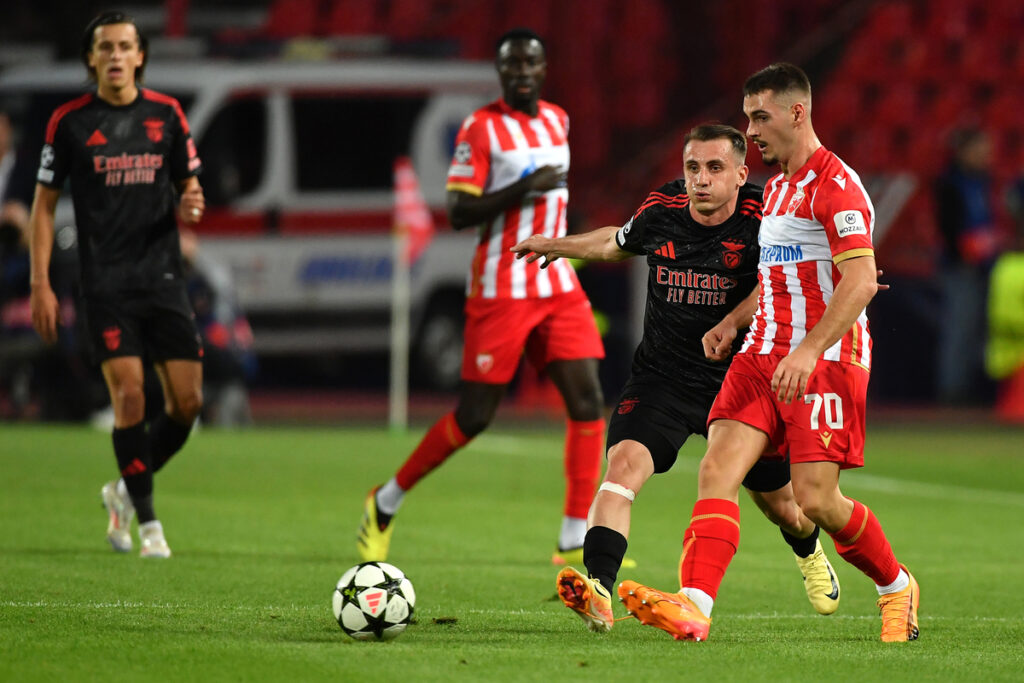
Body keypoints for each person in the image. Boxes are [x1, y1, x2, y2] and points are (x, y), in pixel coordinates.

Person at [618, 63, 920, 643]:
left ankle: (895, 586)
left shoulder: (837, 186)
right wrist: (735, 321)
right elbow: (779, 276)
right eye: (747, 117)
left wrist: (808, 350)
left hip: (825, 359)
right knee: (717, 468)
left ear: (796, 112)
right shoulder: (778, 187)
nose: (750, 130)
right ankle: (694, 606)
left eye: (759, 116)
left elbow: (859, 280)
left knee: (816, 498)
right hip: (761, 353)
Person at [512, 123, 841, 632]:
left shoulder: (766, 217)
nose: (700, 180)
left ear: (739, 174)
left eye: (714, 168)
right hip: (661, 378)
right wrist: (559, 245)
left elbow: (789, 281)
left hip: (738, 382)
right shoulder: (661, 210)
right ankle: (599, 589)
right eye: (692, 168)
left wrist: (733, 321)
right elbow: (616, 244)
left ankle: (808, 550)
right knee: (621, 469)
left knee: (786, 508)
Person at [357, 28, 606, 566]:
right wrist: (526, 186)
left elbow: (556, 199)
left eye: (530, 65)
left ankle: (572, 535)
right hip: (502, 285)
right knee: (474, 416)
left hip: (557, 281)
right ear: (500, 72)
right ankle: (385, 499)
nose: (521, 74)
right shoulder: (481, 128)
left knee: (587, 401)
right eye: (511, 66)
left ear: (543, 69)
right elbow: (458, 211)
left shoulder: (559, 119)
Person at [28, 10, 205, 558]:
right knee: (129, 395)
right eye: (105, 48)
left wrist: (193, 202)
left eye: (125, 46)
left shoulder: (168, 114)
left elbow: (189, 186)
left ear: (141, 56)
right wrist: (41, 283)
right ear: (91, 59)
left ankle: (123, 488)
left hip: (163, 278)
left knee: (187, 403)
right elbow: (43, 206)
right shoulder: (70, 121)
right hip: (105, 282)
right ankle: (148, 523)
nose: (115, 56)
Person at [933, 127, 1002, 405]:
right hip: (959, 267)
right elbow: (948, 228)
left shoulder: (985, 180)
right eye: (980, 149)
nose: (986, 155)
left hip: (985, 266)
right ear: (964, 151)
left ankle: (971, 388)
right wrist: (969, 248)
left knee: (975, 330)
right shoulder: (949, 182)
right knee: (960, 328)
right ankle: (951, 392)